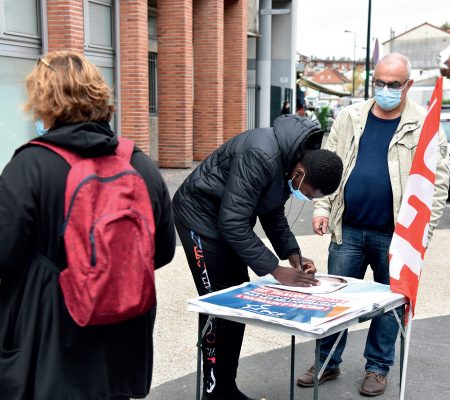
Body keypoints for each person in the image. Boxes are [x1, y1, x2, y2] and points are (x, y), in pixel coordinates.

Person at [0, 51, 176, 400]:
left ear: (42, 100)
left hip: (51, 339)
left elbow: (4, 256)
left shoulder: (29, 166)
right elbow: (164, 252)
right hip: (123, 336)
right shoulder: (139, 164)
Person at [297, 53, 449, 397]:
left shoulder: (426, 126)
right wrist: (321, 207)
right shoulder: (350, 117)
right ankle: (326, 362)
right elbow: (327, 163)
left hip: (395, 236)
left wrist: (421, 234)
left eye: (393, 84)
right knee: (334, 301)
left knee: (388, 306)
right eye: (379, 82)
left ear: (408, 85)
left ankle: (377, 369)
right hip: (347, 228)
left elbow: (437, 185)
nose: (384, 89)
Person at [173, 114, 343, 400]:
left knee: (237, 297)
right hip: (199, 217)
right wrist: (276, 271)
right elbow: (233, 223)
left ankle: (226, 387)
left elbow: (272, 211)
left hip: (225, 219)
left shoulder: (290, 163)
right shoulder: (261, 155)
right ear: (300, 174)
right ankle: (213, 392)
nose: (309, 200)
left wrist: (293, 255)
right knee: (220, 304)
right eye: (310, 195)